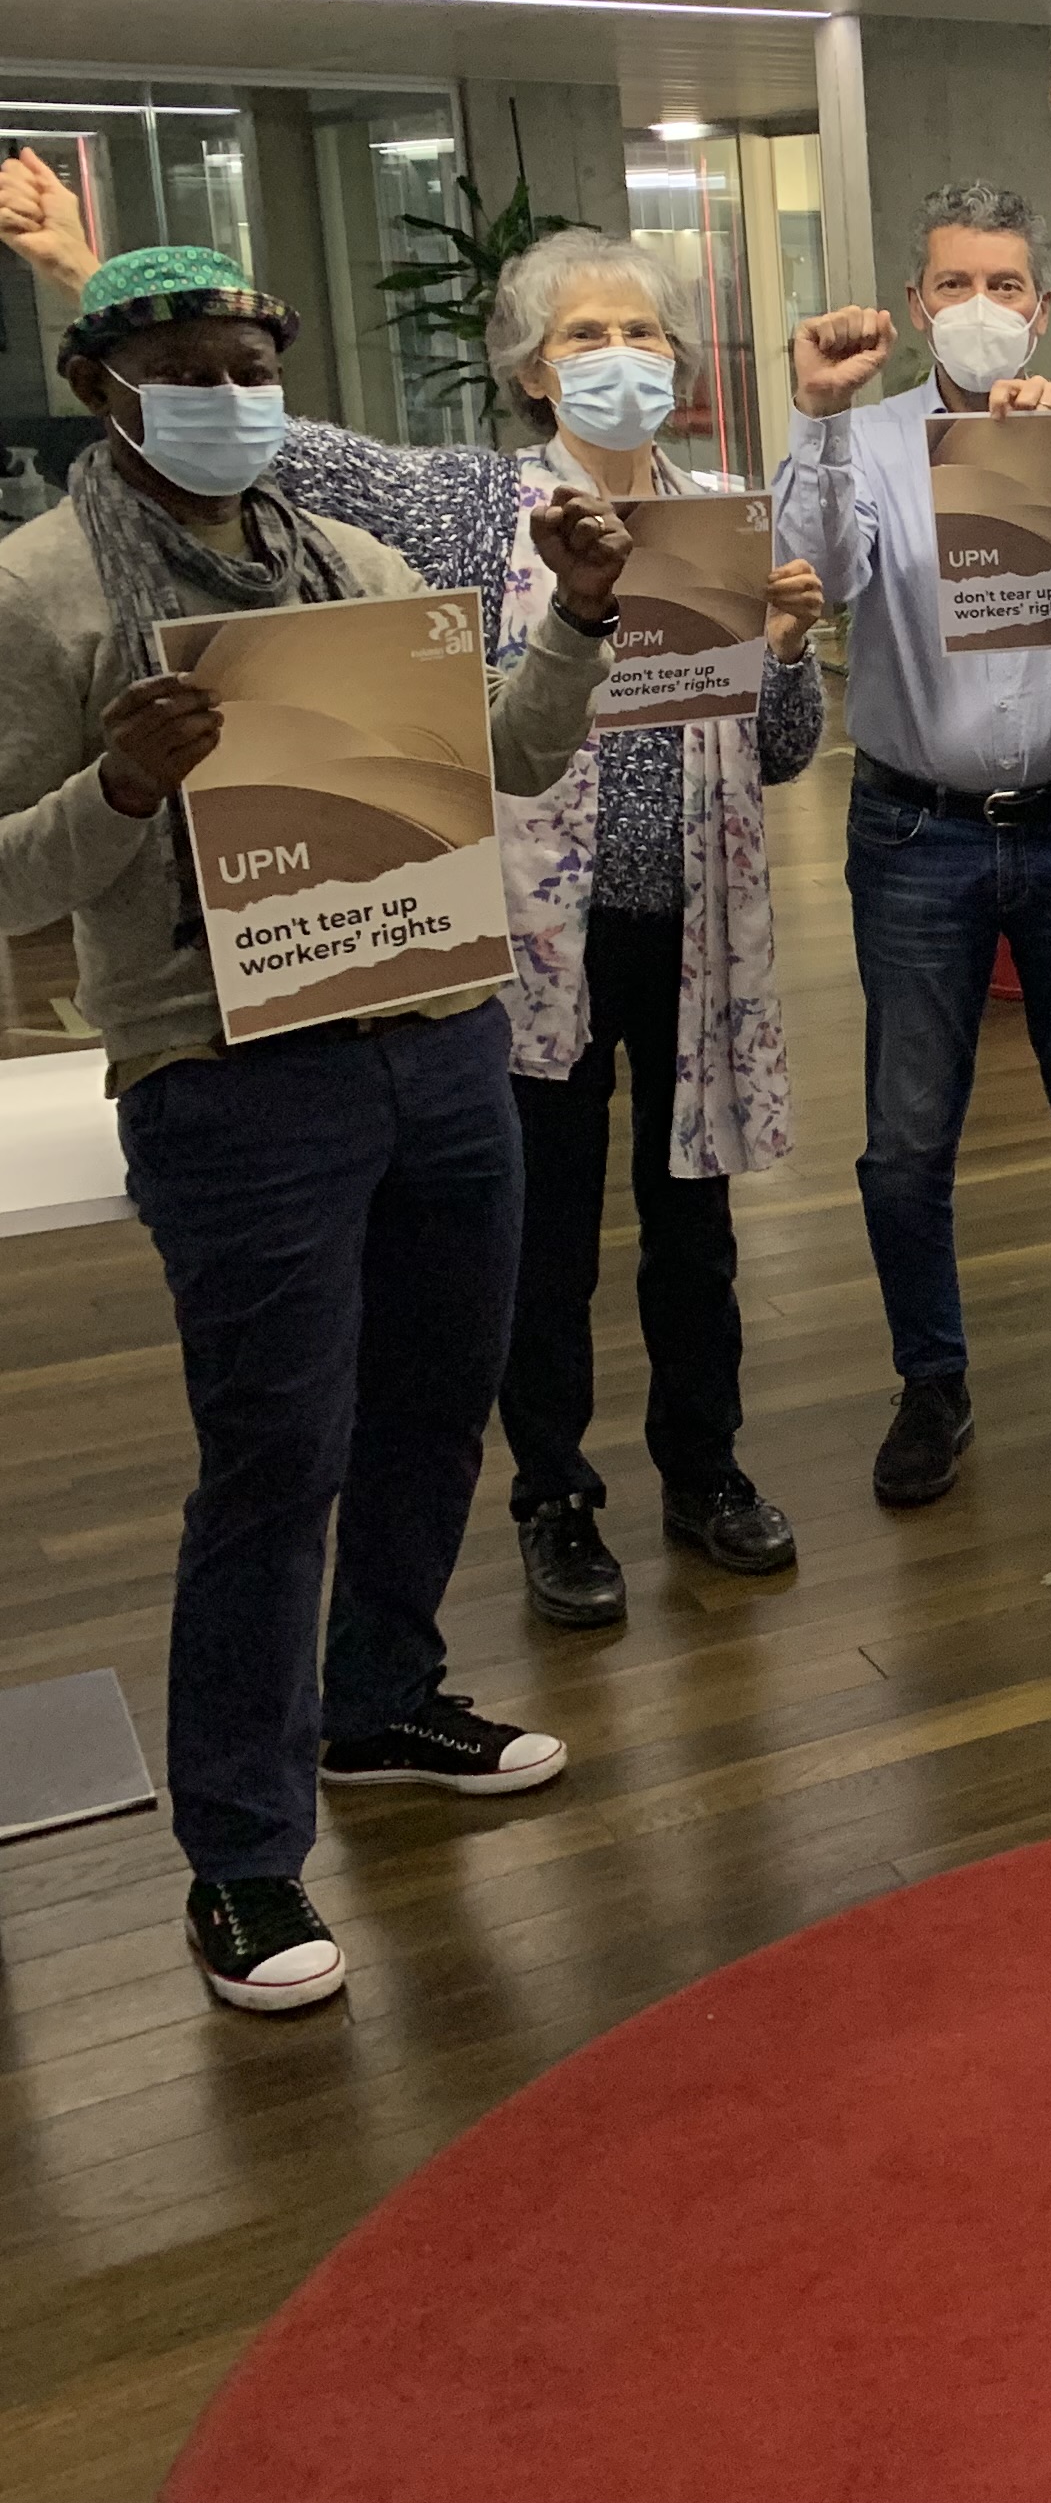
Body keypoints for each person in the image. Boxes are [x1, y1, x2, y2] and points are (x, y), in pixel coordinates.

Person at [0, 246, 623, 2012]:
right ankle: (243, 1853)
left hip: (435, 1028)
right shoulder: (38, 595)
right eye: (189, 368)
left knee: (437, 1395)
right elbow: (9, 873)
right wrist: (123, 783)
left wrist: (578, 619)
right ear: (99, 383)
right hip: (226, 1071)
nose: (229, 395)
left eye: (251, 365)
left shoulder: (353, 567)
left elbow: (504, 760)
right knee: (276, 1452)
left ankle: (382, 1699)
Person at [285, 229, 823, 1630]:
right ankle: (555, 1495)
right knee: (544, 1237)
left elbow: (780, 752)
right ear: (531, 370)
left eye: (643, 334)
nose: (620, 358)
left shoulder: (723, 518)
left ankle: (705, 1468)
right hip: (538, 938)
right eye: (586, 336)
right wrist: (88, 279)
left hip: (693, 929)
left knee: (694, 1226)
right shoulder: (478, 506)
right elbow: (296, 450)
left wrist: (786, 654)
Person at [777, 182, 1051, 1513]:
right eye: (956, 285)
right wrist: (819, 420)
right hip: (917, 830)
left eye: (1005, 286)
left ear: (1042, 307)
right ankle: (930, 1380)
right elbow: (819, 577)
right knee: (906, 1137)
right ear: (917, 305)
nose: (981, 308)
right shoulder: (868, 441)